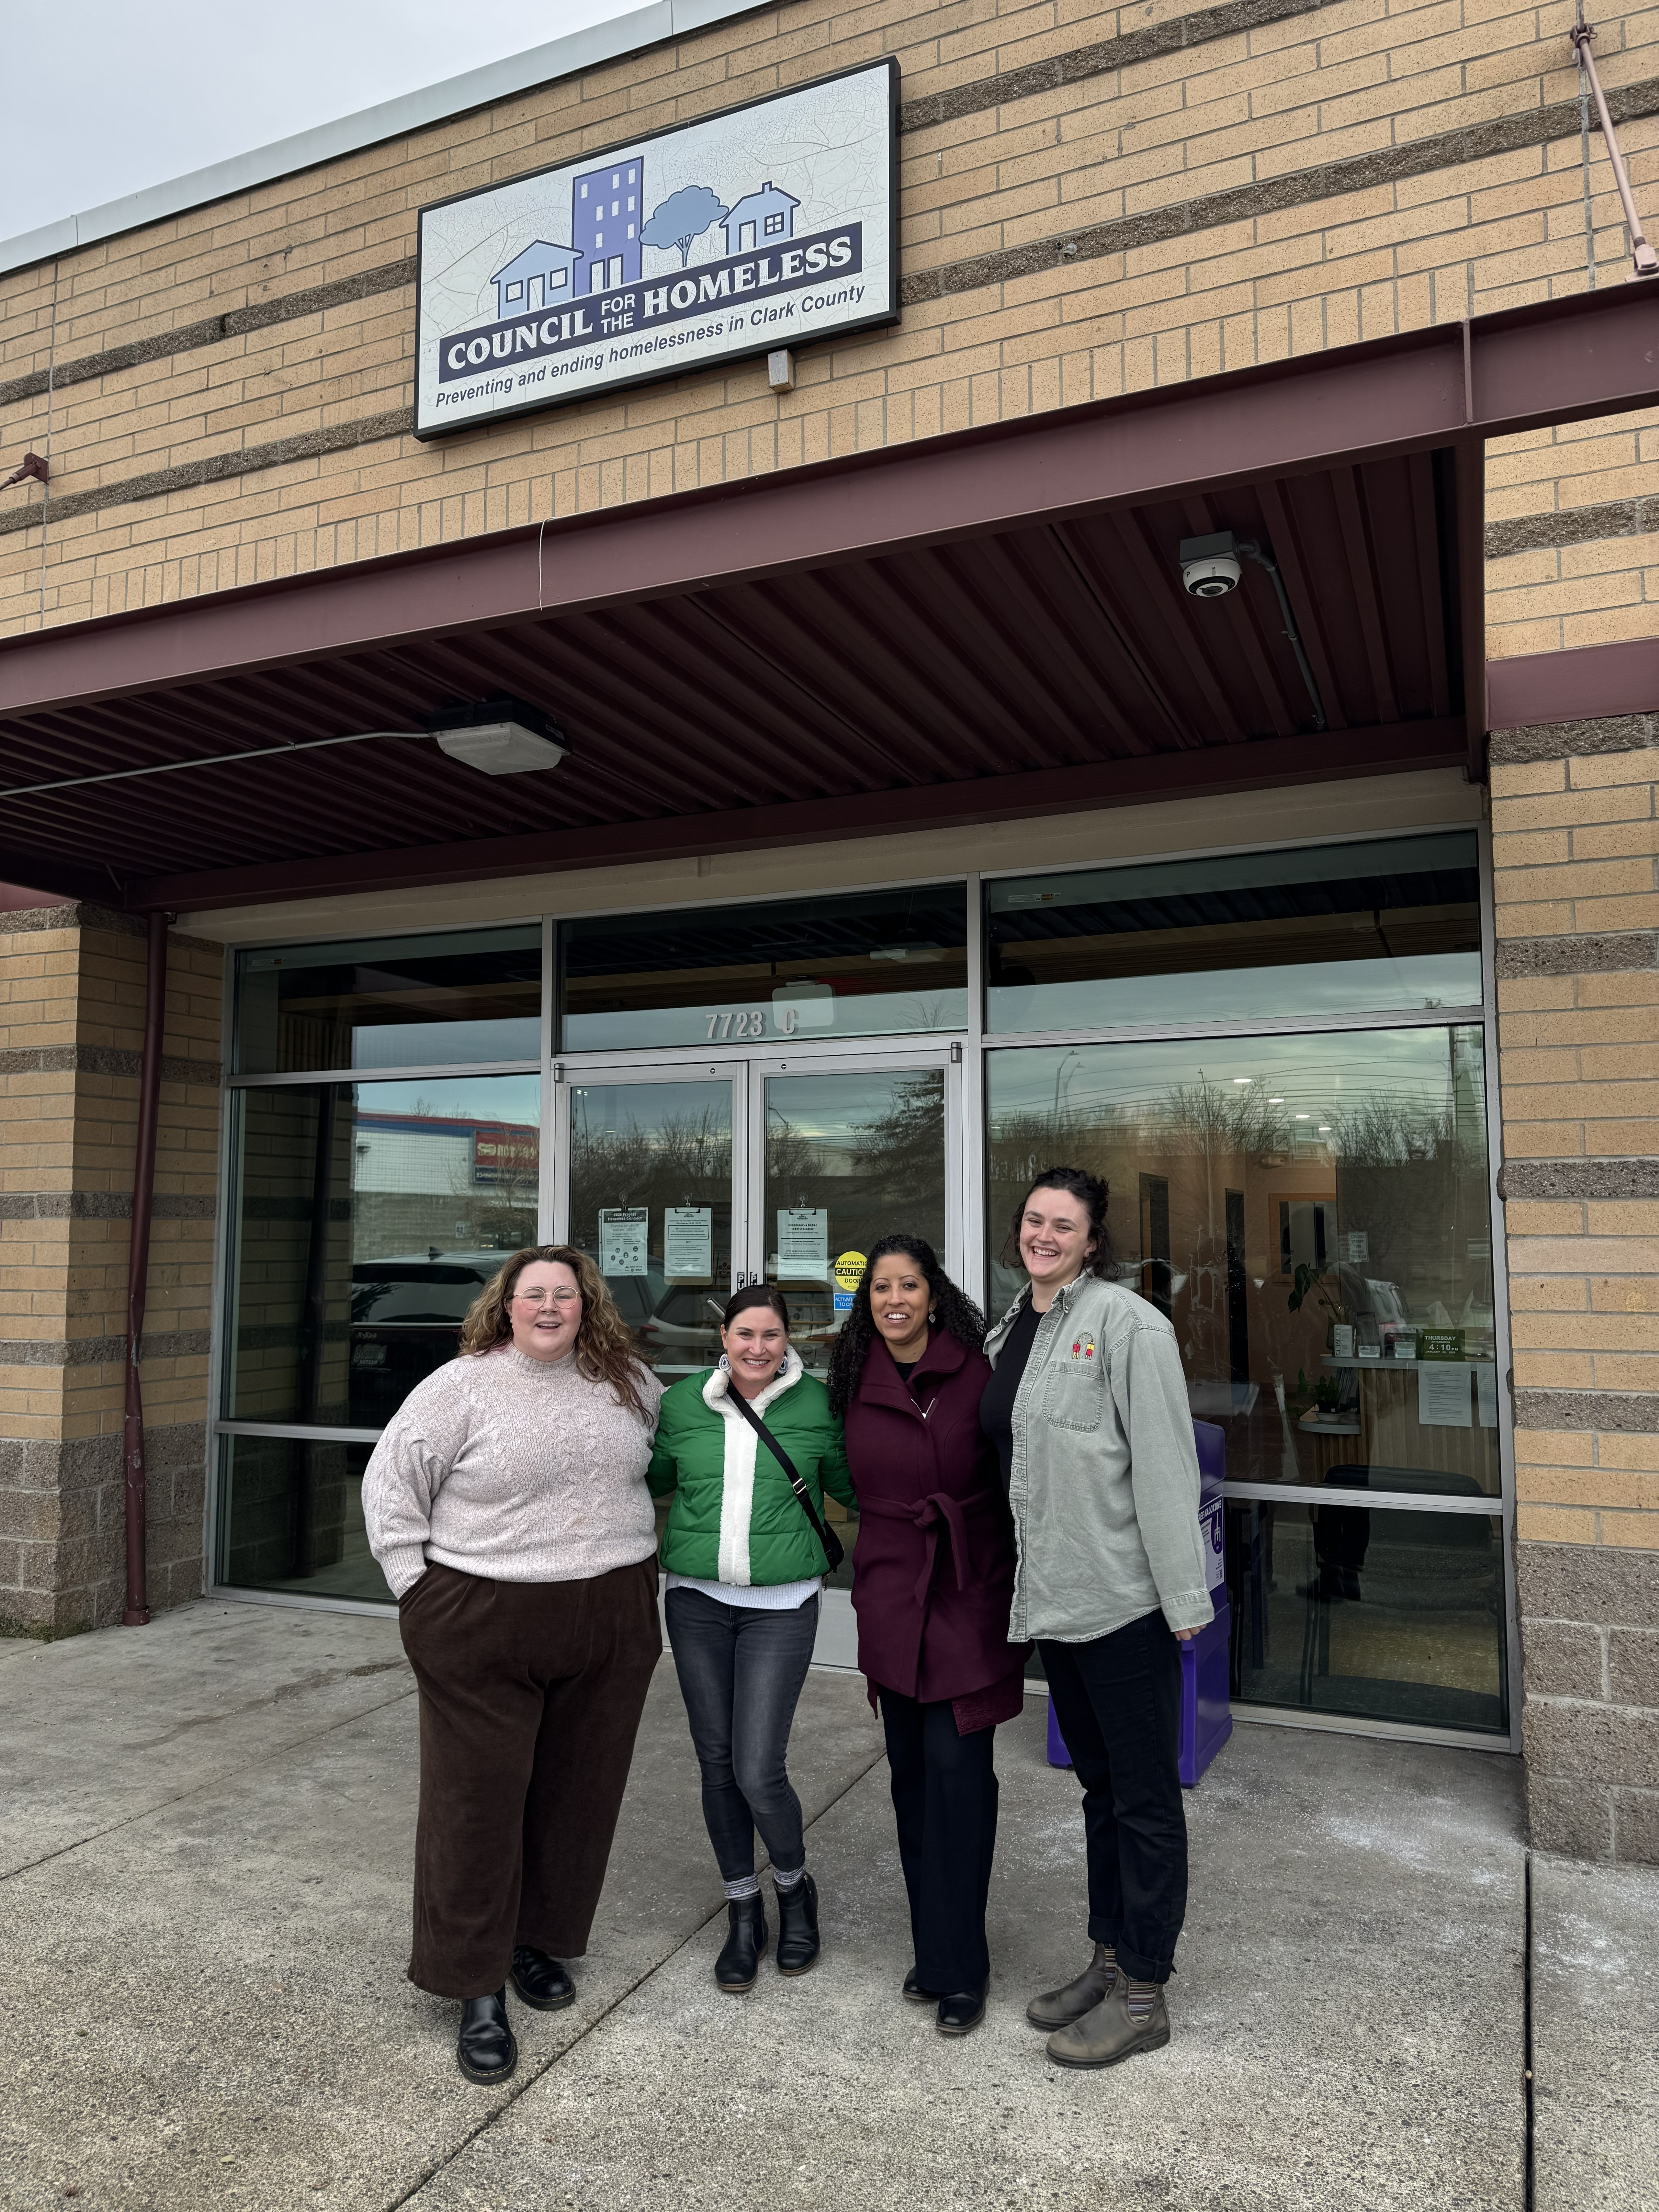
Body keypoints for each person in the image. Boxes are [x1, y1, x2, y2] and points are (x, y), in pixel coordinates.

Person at [362, 1244, 663, 2087]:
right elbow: (391, 1486)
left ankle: (539, 1943)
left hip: (610, 1615)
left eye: (564, 1295)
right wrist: (415, 1591)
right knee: (476, 1807)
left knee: (579, 1795)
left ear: (586, 1305)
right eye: (533, 1295)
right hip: (484, 1616)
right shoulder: (458, 1388)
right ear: (505, 1306)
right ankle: (476, 1985)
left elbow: (665, 1464)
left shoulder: (628, 1382)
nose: (549, 1308)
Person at [981, 1167, 1213, 2070]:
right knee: (1101, 1791)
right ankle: (1110, 1960)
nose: (1045, 1235)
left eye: (1063, 1225)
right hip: (1056, 1601)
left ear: (1091, 1239)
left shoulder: (1127, 1325)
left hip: (1123, 1602)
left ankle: (1147, 1994)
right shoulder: (1016, 1324)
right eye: (1034, 1220)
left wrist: (1184, 1601)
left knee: (1147, 1800)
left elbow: (1163, 1467)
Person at [828, 1235, 1026, 2039]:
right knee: (911, 1782)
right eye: (881, 1288)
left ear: (934, 1294)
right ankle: (933, 1950)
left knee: (959, 1779)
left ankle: (964, 1966)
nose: (895, 1299)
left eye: (909, 1285)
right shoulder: (850, 1378)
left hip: (966, 1593)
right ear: (867, 1301)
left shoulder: (979, 1371)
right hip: (888, 1598)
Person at [647, 1285, 855, 1992]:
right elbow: (646, 1482)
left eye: (770, 1336)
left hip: (781, 1605)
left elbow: (858, 1491)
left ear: (788, 1340)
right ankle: (744, 1909)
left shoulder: (818, 1405)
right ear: (724, 1338)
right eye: (744, 1335)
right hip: (697, 1604)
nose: (757, 1349)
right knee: (716, 1761)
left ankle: (795, 1888)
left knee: (758, 1768)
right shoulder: (680, 1406)